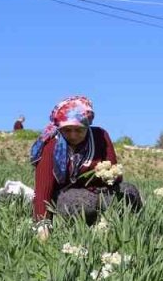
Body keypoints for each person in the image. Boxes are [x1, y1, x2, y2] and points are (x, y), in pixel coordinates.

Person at [30, 96, 142, 240]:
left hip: (100, 191)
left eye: (79, 130)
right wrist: (42, 224)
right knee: (85, 203)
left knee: (129, 192)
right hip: (66, 195)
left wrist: (109, 174)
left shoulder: (100, 136)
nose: (73, 135)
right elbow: (42, 191)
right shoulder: (51, 145)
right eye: (67, 130)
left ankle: (125, 230)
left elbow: (116, 176)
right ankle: (88, 230)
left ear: (87, 126)